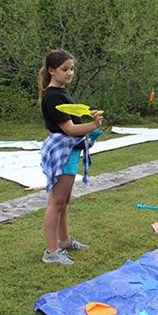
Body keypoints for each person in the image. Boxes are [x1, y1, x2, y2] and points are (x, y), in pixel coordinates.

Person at [38, 49, 104, 266]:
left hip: (71, 150)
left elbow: (75, 125)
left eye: (72, 69)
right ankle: (51, 252)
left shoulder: (62, 93)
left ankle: (64, 241)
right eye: (65, 69)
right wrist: (92, 125)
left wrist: (90, 125)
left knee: (64, 202)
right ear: (51, 70)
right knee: (56, 203)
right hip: (62, 151)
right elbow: (69, 129)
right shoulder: (53, 96)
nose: (70, 73)